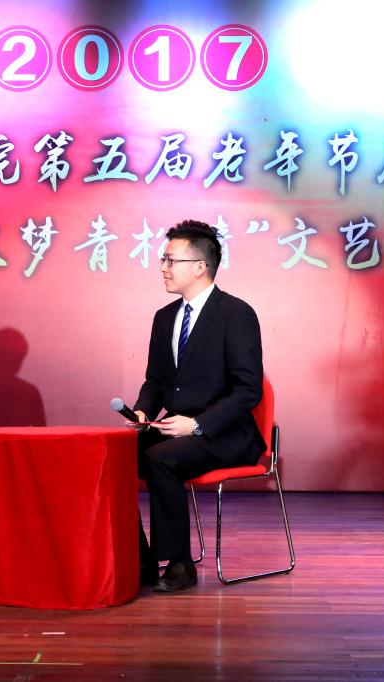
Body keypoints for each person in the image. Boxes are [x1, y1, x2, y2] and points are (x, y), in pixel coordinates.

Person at [129, 220, 265, 593]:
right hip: (176, 429)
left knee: (160, 458)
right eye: (163, 260)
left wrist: (198, 424)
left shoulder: (236, 314)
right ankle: (139, 559)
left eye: (171, 260)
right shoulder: (165, 317)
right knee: (114, 455)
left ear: (200, 266)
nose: (163, 267)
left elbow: (248, 390)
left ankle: (179, 563)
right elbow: (155, 381)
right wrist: (142, 412)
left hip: (225, 433)